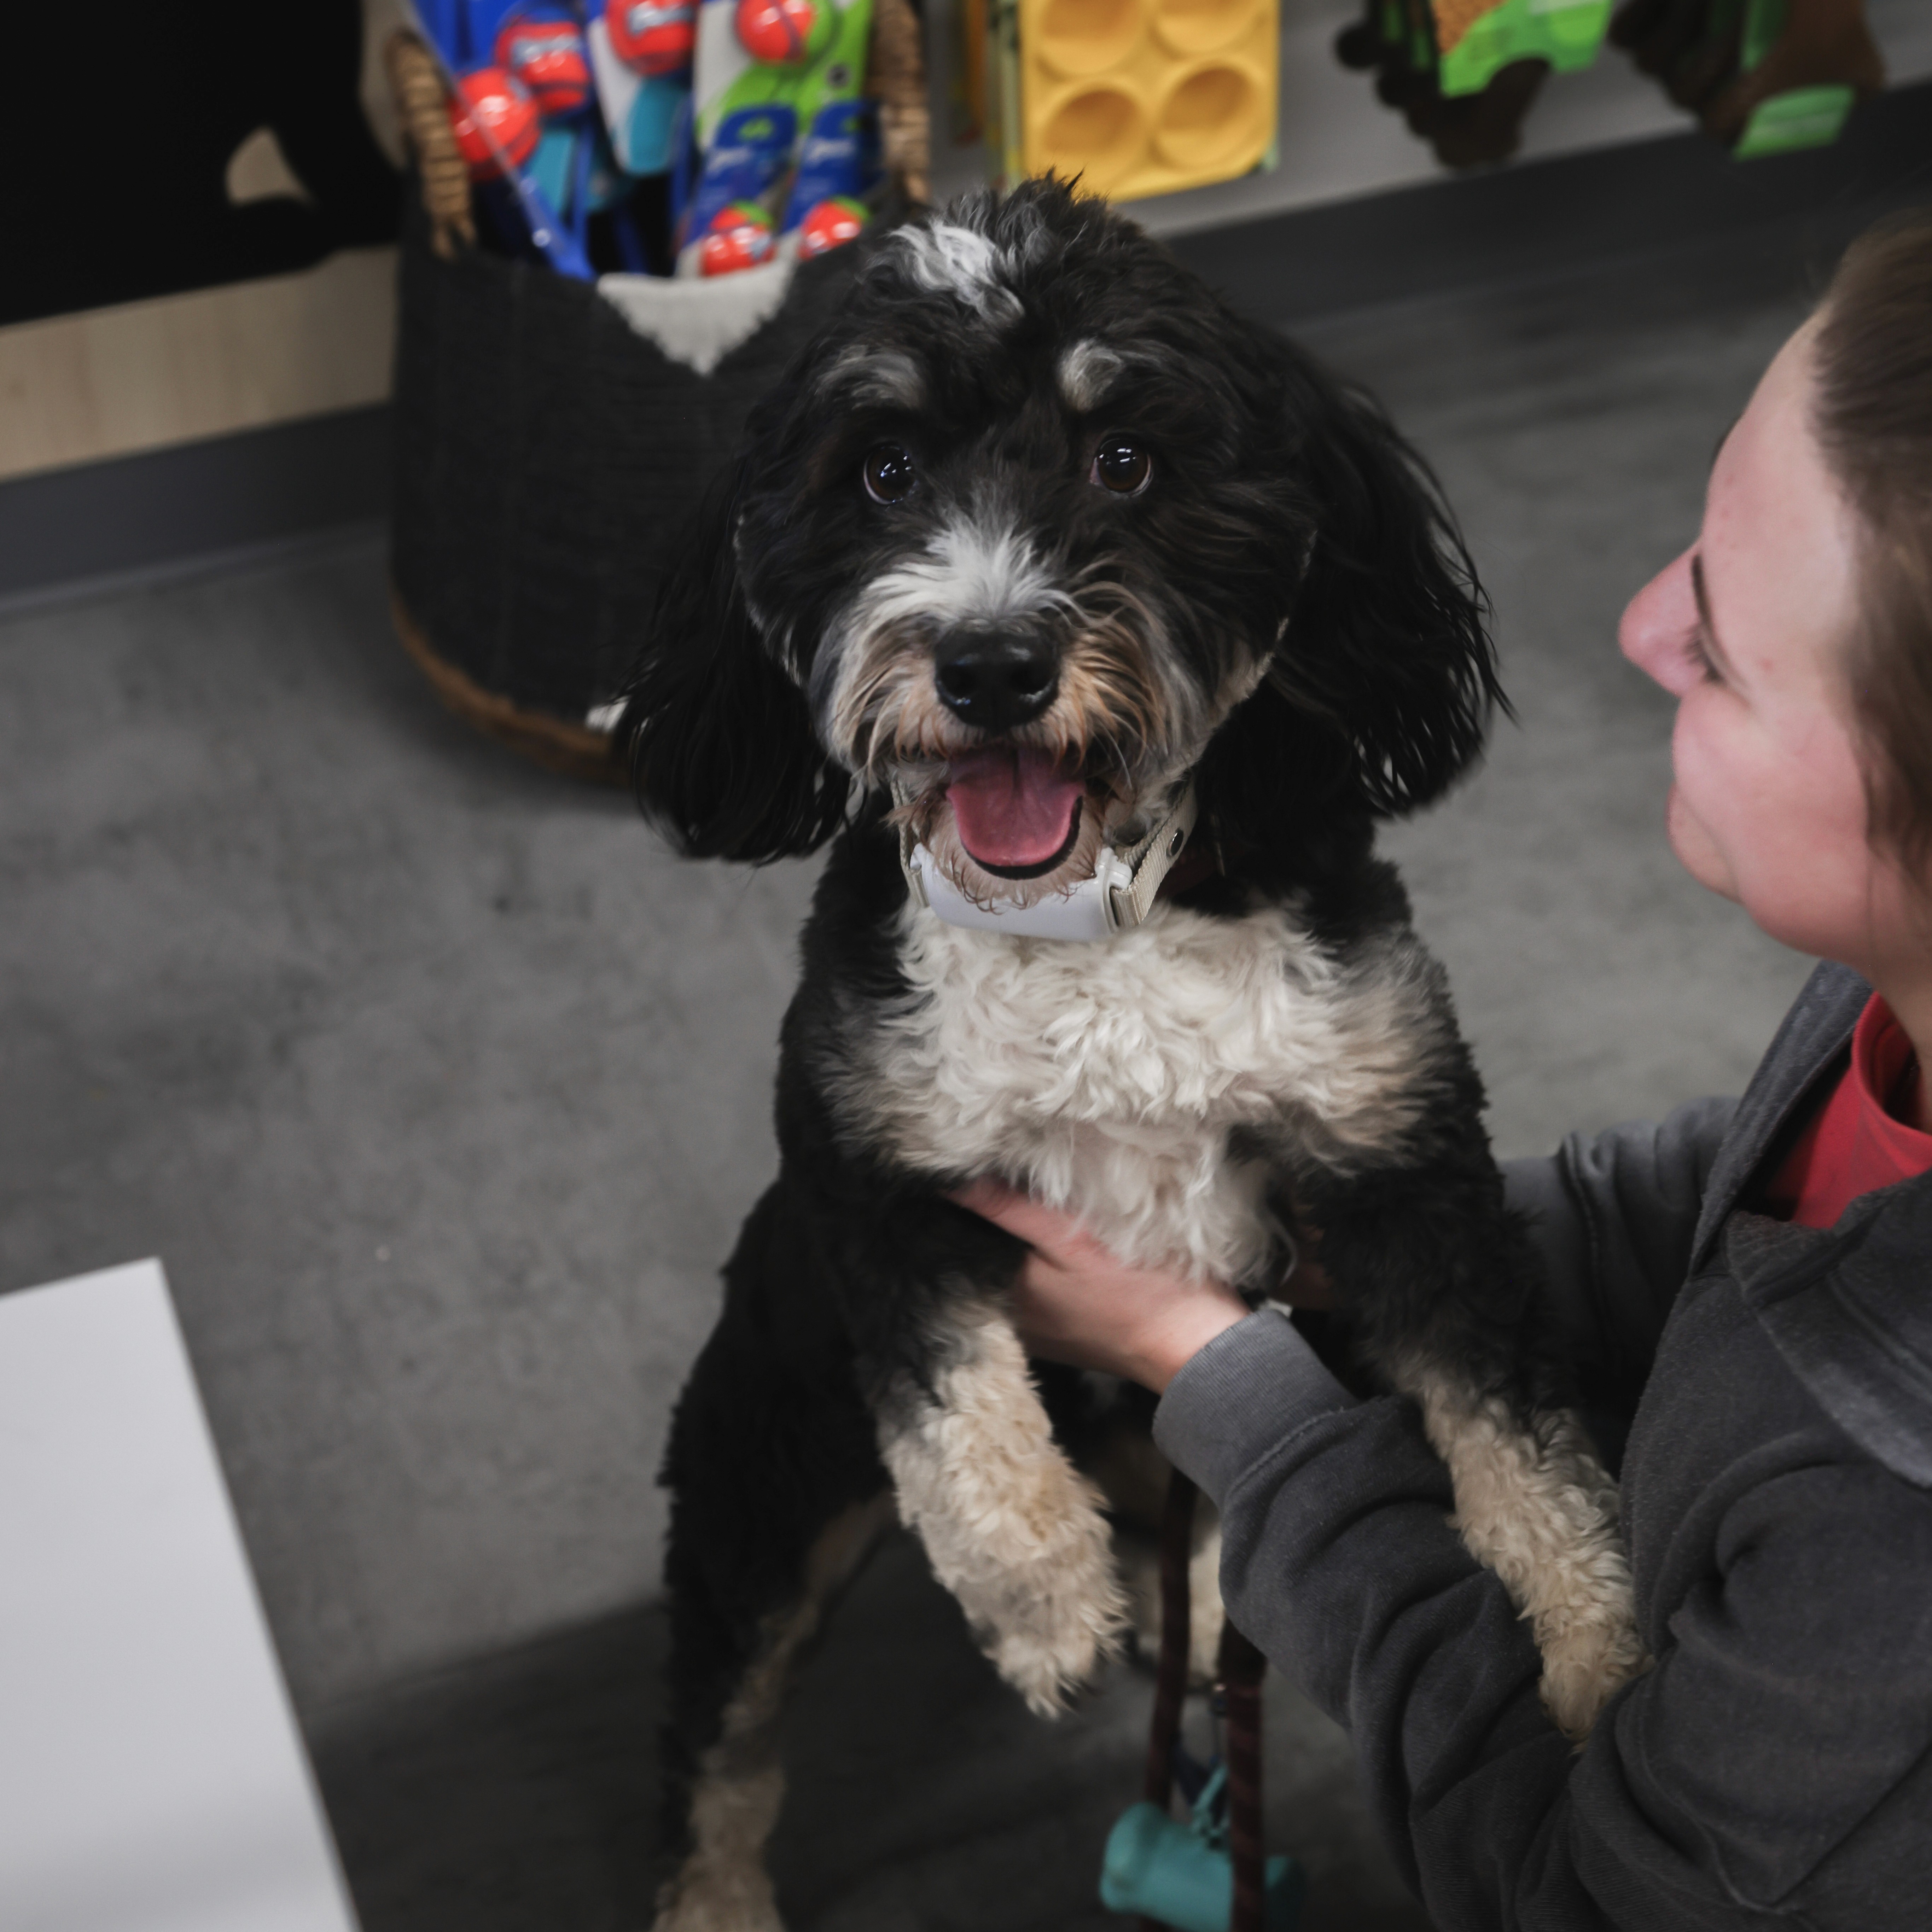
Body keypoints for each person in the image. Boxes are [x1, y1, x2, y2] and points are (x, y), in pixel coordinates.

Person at [958, 209, 1932, 1928]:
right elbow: (1765, 1199)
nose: (1635, 627)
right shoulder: (1895, 1001)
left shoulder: (1887, 1541)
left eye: (1715, 644)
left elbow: (1568, 1890)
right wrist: (1387, 1259)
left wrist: (1233, 1395)